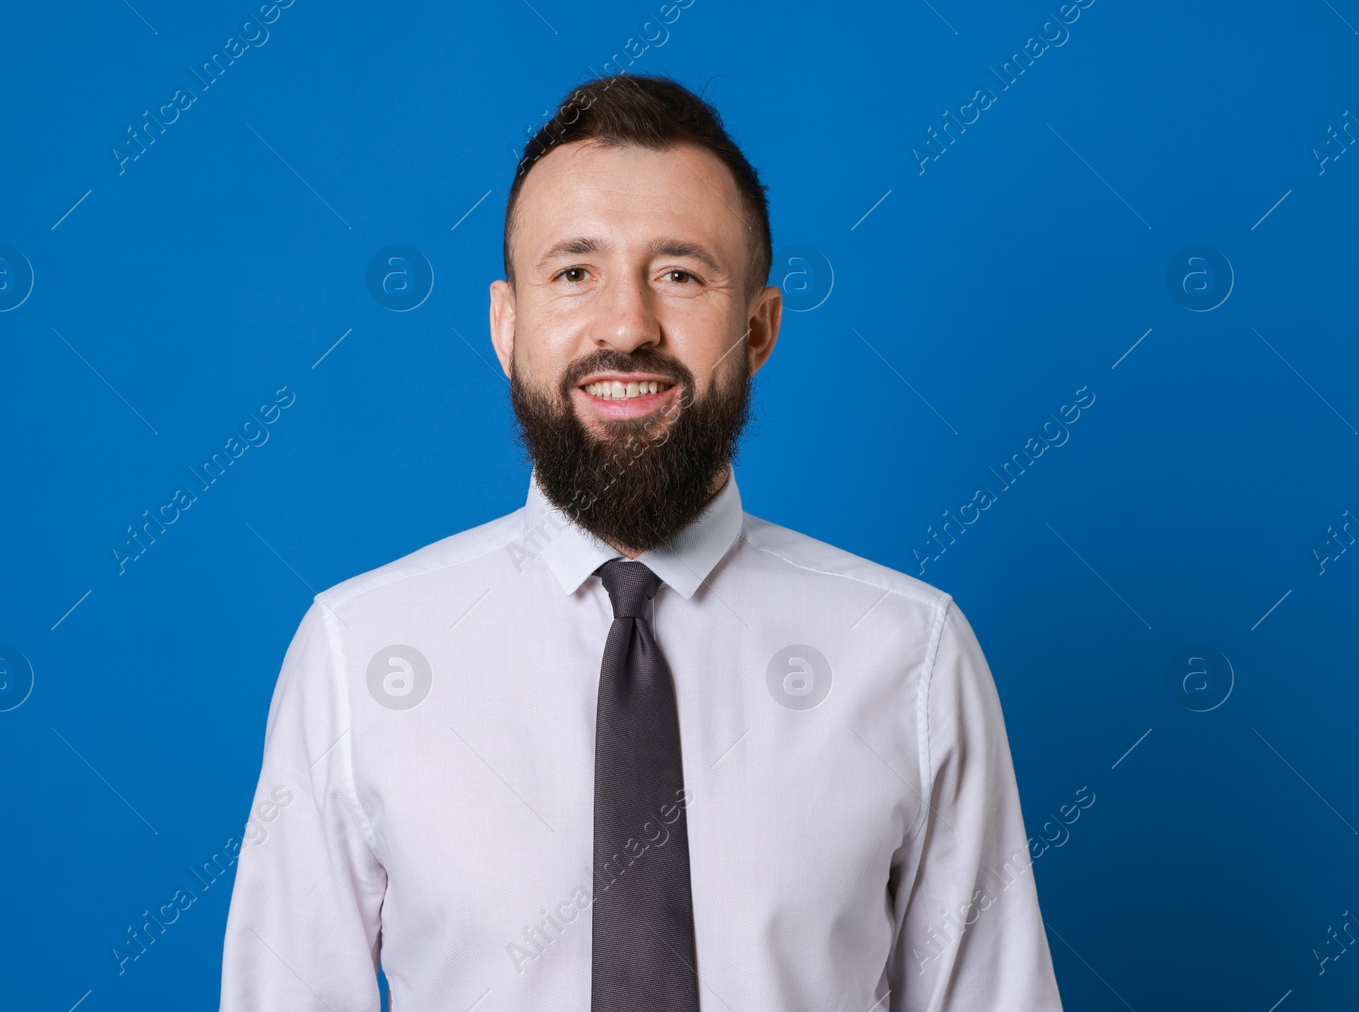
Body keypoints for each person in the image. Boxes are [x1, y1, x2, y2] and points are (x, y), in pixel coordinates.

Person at [219, 73, 1063, 1011]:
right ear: (507, 325)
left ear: (758, 327)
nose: (627, 324)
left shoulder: (911, 655)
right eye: (574, 271)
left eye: (681, 273)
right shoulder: (357, 653)